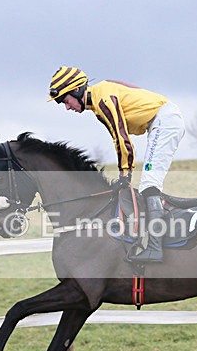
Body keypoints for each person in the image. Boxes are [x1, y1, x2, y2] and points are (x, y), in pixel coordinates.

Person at [48, 66, 185, 263]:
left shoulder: (102, 98)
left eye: (65, 100)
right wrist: (125, 174)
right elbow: (117, 138)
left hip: (165, 120)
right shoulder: (98, 101)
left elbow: (122, 138)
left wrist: (125, 175)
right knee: (149, 184)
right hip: (161, 121)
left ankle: (155, 247)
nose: (67, 107)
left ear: (76, 90)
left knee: (149, 184)